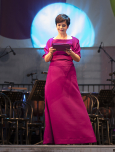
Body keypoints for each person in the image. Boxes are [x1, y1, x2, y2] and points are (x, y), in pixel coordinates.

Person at [42, 14, 96, 144]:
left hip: (68, 73)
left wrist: (70, 52)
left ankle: (78, 137)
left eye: (63, 25)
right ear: (56, 26)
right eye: (59, 25)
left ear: (67, 26)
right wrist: (51, 52)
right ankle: (56, 138)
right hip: (54, 74)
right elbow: (46, 59)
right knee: (54, 105)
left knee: (73, 104)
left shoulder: (74, 40)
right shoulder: (50, 41)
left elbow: (77, 59)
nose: (61, 27)